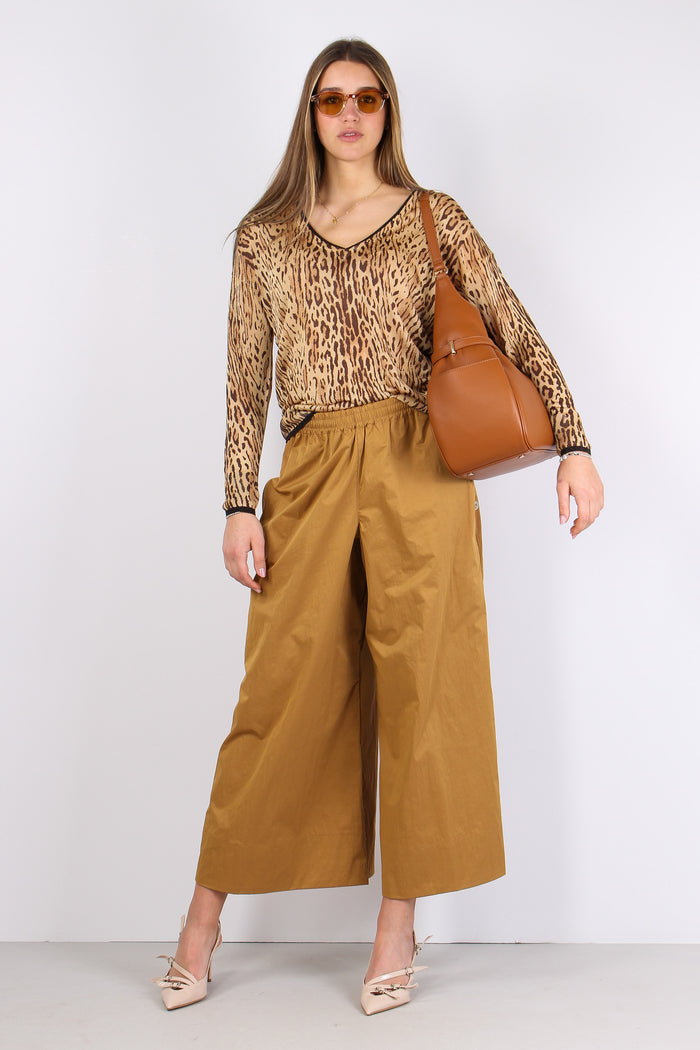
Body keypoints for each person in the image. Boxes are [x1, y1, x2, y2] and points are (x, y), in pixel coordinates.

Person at [153, 37, 604, 1016]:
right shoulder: (264, 238)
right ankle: (200, 920)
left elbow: (512, 325)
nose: (350, 115)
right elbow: (244, 384)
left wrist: (573, 442)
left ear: (388, 110)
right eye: (331, 100)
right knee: (278, 693)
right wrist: (237, 503)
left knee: (425, 692)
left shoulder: (434, 216)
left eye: (367, 98)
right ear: (310, 114)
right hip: (312, 466)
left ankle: (397, 928)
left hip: (419, 464)